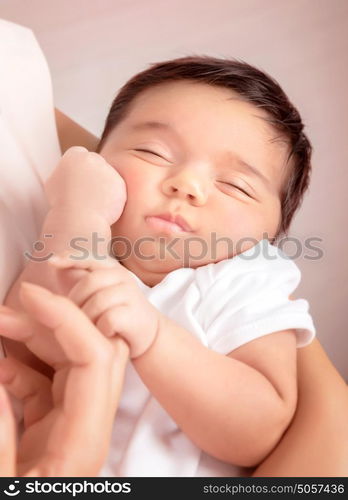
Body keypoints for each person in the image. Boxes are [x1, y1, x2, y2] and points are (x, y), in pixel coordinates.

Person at [0, 18, 347, 476]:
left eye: (235, 186)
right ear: (97, 158)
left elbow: (258, 433)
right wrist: (74, 215)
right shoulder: (78, 235)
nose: (187, 185)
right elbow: (25, 343)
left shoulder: (244, 283)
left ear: (268, 238)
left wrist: (155, 337)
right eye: (152, 153)